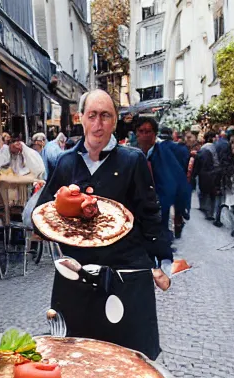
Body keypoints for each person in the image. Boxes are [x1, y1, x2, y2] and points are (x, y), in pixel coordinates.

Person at [36, 90, 172, 361]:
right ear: (81, 119)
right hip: (77, 274)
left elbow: (150, 214)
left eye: (106, 116)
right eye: (92, 116)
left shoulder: (132, 161)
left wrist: (162, 261)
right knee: (75, 355)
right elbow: (44, 213)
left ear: (115, 122)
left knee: (128, 359)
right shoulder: (66, 162)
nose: (98, 124)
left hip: (124, 273)